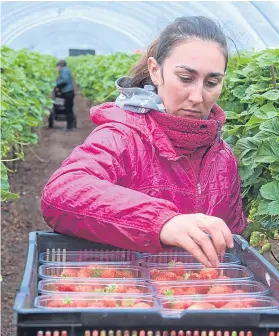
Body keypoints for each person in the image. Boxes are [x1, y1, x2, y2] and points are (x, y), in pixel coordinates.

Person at [41, 16, 246, 267]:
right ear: (155, 71)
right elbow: (63, 192)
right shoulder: (123, 136)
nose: (197, 96)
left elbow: (233, 243)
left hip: (199, 297)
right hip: (127, 295)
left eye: (212, 83)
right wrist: (161, 222)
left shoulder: (223, 158)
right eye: (185, 77)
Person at [55, 59, 75, 130]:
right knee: (70, 109)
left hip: (67, 92)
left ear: (60, 66)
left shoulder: (64, 71)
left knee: (68, 109)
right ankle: (72, 126)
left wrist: (56, 84)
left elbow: (64, 80)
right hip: (70, 92)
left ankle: (70, 127)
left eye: (57, 67)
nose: (57, 69)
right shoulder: (66, 70)